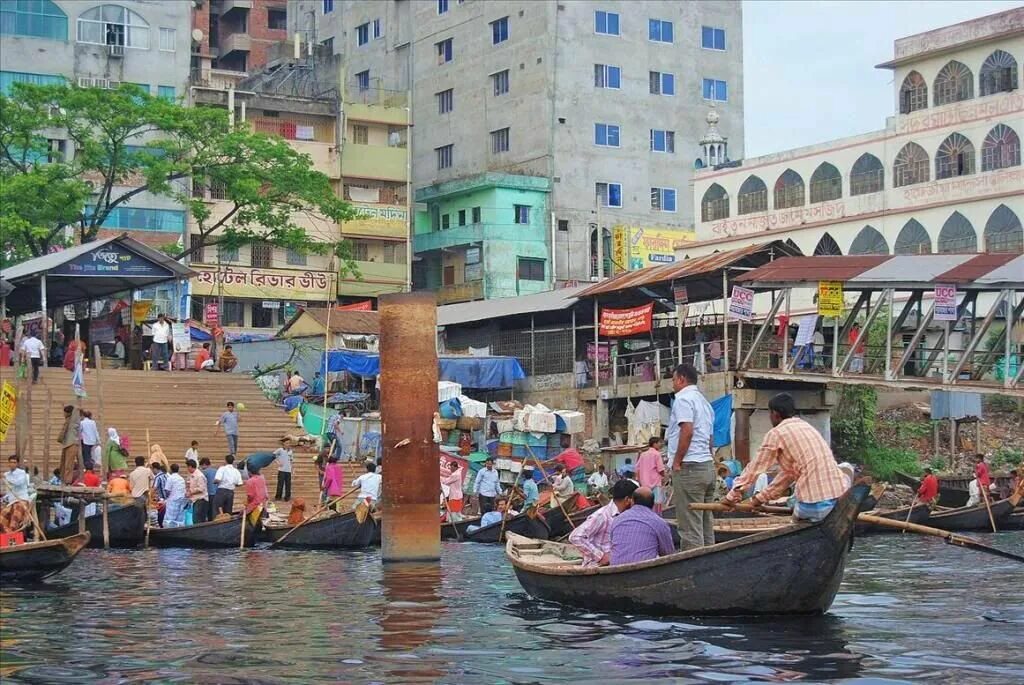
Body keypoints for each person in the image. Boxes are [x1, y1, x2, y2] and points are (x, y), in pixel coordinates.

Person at [725, 393, 850, 521]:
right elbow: (787, 475)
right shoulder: (806, 427)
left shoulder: (776, 433)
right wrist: (758, 499)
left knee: (796, 520)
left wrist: (732, 495)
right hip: (840, 494)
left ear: (775, 414)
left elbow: (755, 468)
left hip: (814, 502)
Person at [666, 363, 716, 551]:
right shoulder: (704, 402)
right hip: (706, 466)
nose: (672, 384)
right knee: (705, 523)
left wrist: (677, 461)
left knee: (690, 526)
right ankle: (710, 562)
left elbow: (687, 430)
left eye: (673, 379)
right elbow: (710, 438)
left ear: (681, 379)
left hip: (690, 467)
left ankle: (696, 568)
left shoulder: (683, 400)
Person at [569, 478, 638, 566]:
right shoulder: (602, 515)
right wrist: (600, 556)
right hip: (598, 567)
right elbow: (575, 536)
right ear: (628, 500)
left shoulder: (625, 515)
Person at [609, 487, 675, 565]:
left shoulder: (617, 519)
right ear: (653, 503)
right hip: (645, 572)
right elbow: (669, 554)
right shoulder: (659, 522)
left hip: (615, 572)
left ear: (632, 501)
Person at [635, 437, 666, 512]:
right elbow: (661, 469)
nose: (660, 445)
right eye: (659, 443)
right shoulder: (657, 454)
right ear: (654, 444)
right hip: (655, 483)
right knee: (657, 504)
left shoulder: (643, 454)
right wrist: (664, 476)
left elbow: (637, 467)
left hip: (644, 484)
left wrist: (639, 479)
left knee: (645, 503)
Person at [57, 405, 81, 485]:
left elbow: (76, 411)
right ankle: (63, 480)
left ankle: (67, 481)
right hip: (66, 444)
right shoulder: (67, 421)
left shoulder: (73, 421)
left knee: (69, 464)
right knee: (63, 464)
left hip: (72, 444)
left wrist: (78, 398)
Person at [186, 459, 209, 524]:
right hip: (195, 500)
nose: (187, 469)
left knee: (197, 519)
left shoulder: (199, 475)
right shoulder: (192, 475)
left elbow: (201, 488)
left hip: (201, 500)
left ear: (190, 466)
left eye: (188, 467)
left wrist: (191, 492)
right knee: (196, 519)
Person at [151, 462, 169, 527]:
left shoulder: (158, 477)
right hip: (168, 499)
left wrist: (149, 497)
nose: (152, 471)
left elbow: (154, 488)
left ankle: (161, 526)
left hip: (162, 499)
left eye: (152, 469)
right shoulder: (166, 475)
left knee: (160, 516)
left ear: (155, 469)